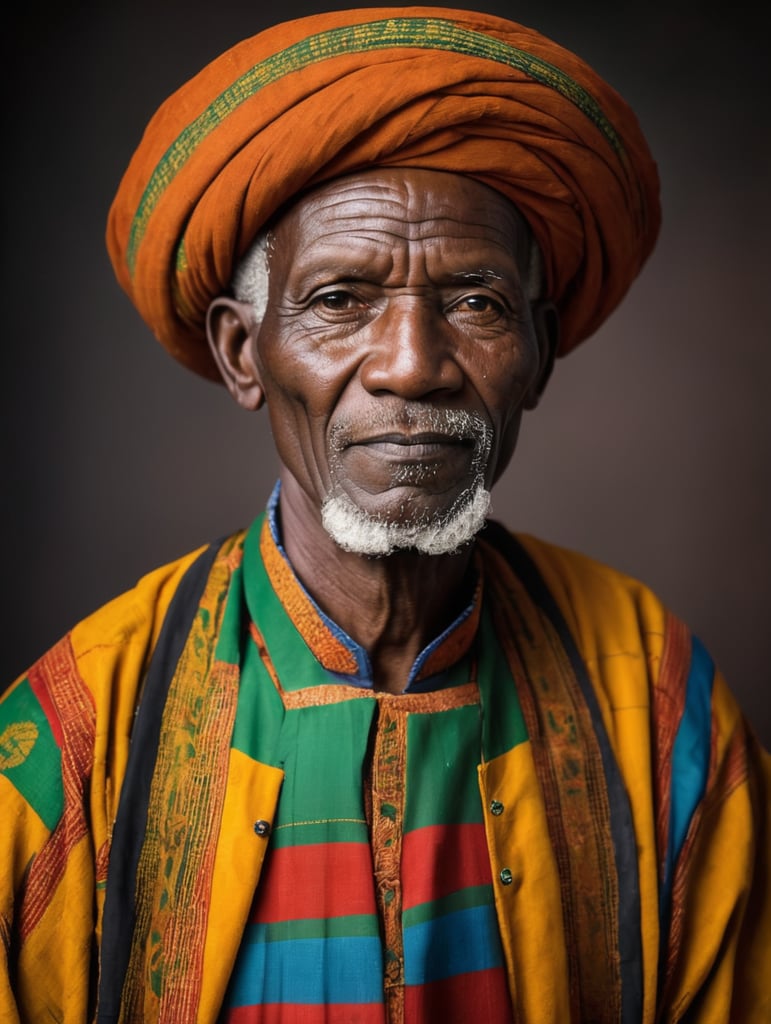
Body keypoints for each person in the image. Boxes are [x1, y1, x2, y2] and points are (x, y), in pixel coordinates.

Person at [1, 5, 769, 1022]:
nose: (413, 364)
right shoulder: (79, 737)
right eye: (340, 300)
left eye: (477, 303)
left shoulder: (660, 706)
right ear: (243, 353)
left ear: (538, 354)